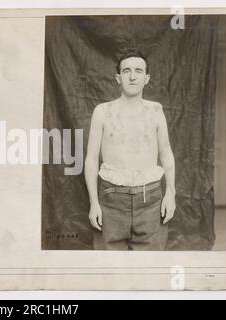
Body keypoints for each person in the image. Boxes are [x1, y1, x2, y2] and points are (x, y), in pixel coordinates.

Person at [84, 48, 176, 250]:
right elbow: (91, 159)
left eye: (138, 71)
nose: (132, 76)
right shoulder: (102, 112)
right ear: (118, 78)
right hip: (111, 199)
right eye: (126, 71)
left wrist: (171, 193)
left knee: (149, 271)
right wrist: (94, 203)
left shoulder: (155, 110)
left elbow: (166, 153)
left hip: (150, 200)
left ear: (147, 78)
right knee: (110, 271)